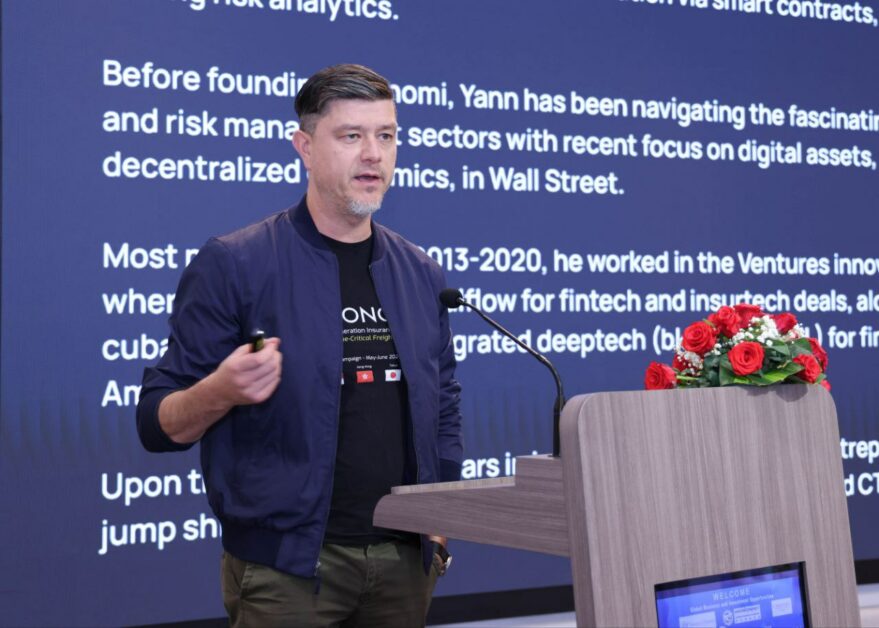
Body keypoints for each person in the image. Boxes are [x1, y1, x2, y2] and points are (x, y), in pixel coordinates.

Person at [136, 63, 463, 627]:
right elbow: (155, 424)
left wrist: (440, 519)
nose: (373, 154)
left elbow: (444, 404)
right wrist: (220, 391)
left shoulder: (420, 272)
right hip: (286, 573)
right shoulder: (236, 263)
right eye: (351, 136)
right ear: (305, 148)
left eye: (386, 136)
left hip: (405, 566)